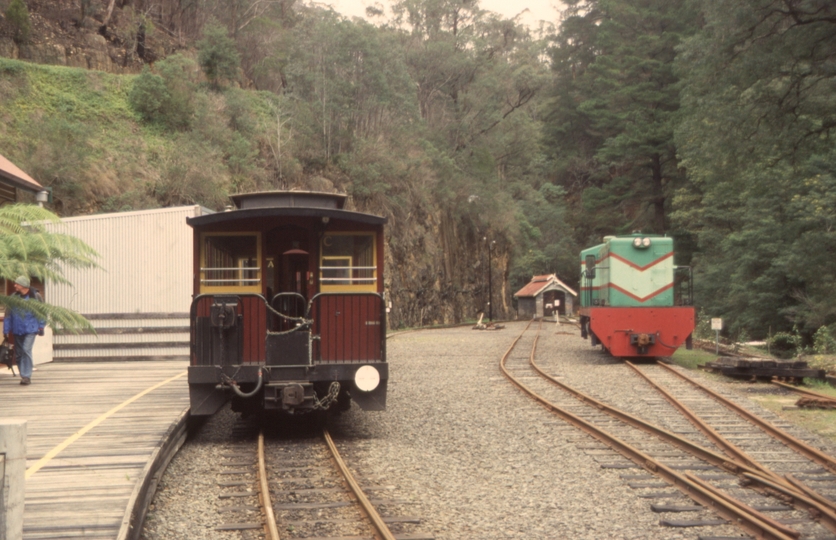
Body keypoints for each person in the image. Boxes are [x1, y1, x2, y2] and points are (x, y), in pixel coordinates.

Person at [3, 276, 45, 386]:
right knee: (19, 354)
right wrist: (6, 330)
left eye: (17, 284)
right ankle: (23, 375)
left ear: (23, 285)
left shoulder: (36, 296)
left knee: (26, 350)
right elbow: (8, 315)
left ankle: (26, 376)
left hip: (31, 329)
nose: (15, 285)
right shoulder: (13, 297)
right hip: (17, 329)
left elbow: (42, 312)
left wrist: (41, 326)